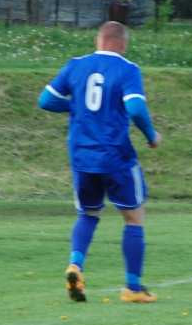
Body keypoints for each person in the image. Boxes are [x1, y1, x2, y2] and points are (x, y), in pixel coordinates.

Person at [38, 21, 161, 304]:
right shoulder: (127, 69)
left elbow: (45, 100)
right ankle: (132, 287)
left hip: (81, 156)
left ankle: (75, 265)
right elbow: (135, 107)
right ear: (123, 43)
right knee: (133, 216)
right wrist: (151, 135)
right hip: (115, 154)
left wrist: (75, 105)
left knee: (88, 214)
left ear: (99, 40)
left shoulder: (76, 65)